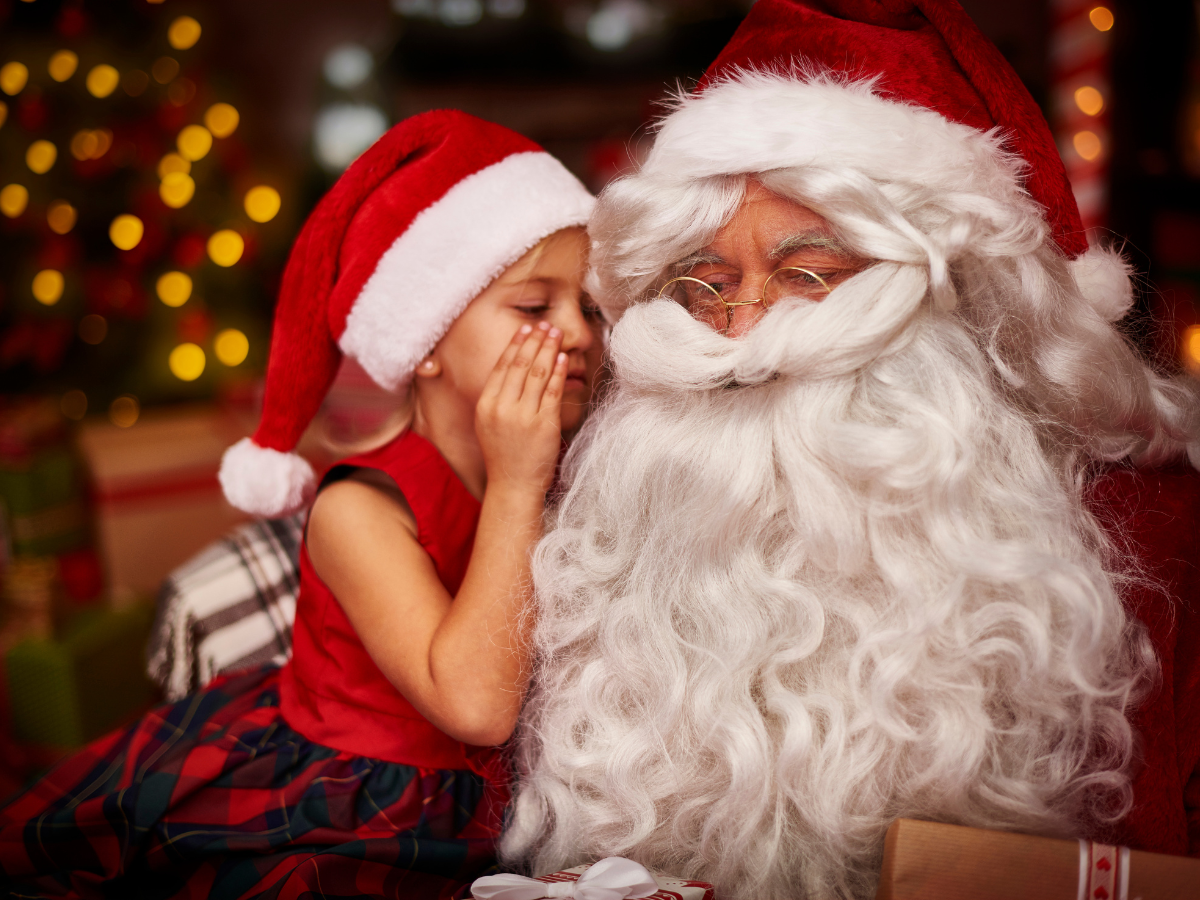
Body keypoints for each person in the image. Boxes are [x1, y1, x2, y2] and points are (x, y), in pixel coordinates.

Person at [500, 2, 1200, 899]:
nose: (750, 326)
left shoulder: (1160, 535)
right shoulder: (589, 541)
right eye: (705, 288)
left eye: (808, 275)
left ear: (963, 306)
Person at [0, 110, 600, 899]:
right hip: (361, 805)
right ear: (425, 342)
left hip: (519, 798)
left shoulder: (578, 474)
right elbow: (476, 708)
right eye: (535, 308)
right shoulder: (359, 511)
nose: (579, 334)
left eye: (590, 307)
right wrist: (519, 485)